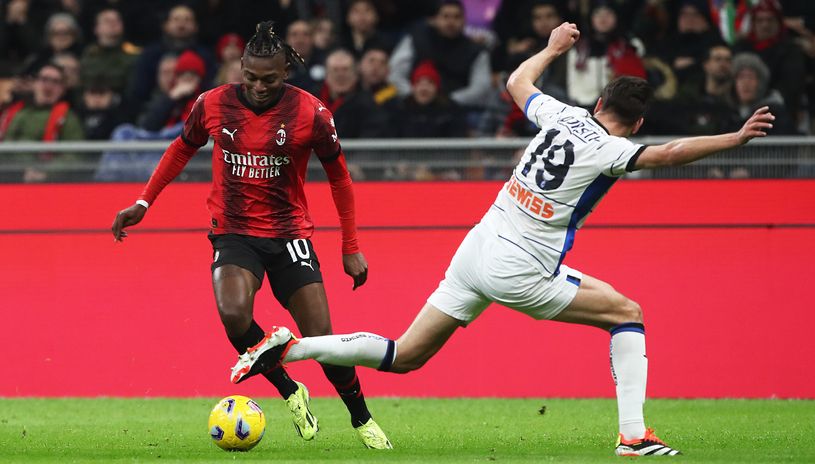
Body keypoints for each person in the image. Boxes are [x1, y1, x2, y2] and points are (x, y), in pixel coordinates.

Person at [230, 22, 775, 456]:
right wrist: (735, 138)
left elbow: (516, 82)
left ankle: (291, 347)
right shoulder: (613, 149)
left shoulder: (560, 115)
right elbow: (670, 153)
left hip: (477, 245)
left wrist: (552, 48)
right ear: (635, 125)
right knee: (627, 313)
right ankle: (633, 437)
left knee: (406, 354)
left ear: (598, 103)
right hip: (520, 267)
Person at [110, 21, 392, 450]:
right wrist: (143, 202)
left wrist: (350, 246)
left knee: (323, 340)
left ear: (286, 73)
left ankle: (361, 417)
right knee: (234, 315)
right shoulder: (212, 103)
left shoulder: (311, 113)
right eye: (251, 77)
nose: (259, 87)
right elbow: (181, 148)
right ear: (240, 69)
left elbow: (340, 178)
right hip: (234, 232)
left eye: (269, 79)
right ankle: (290, 391)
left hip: (289, 233)